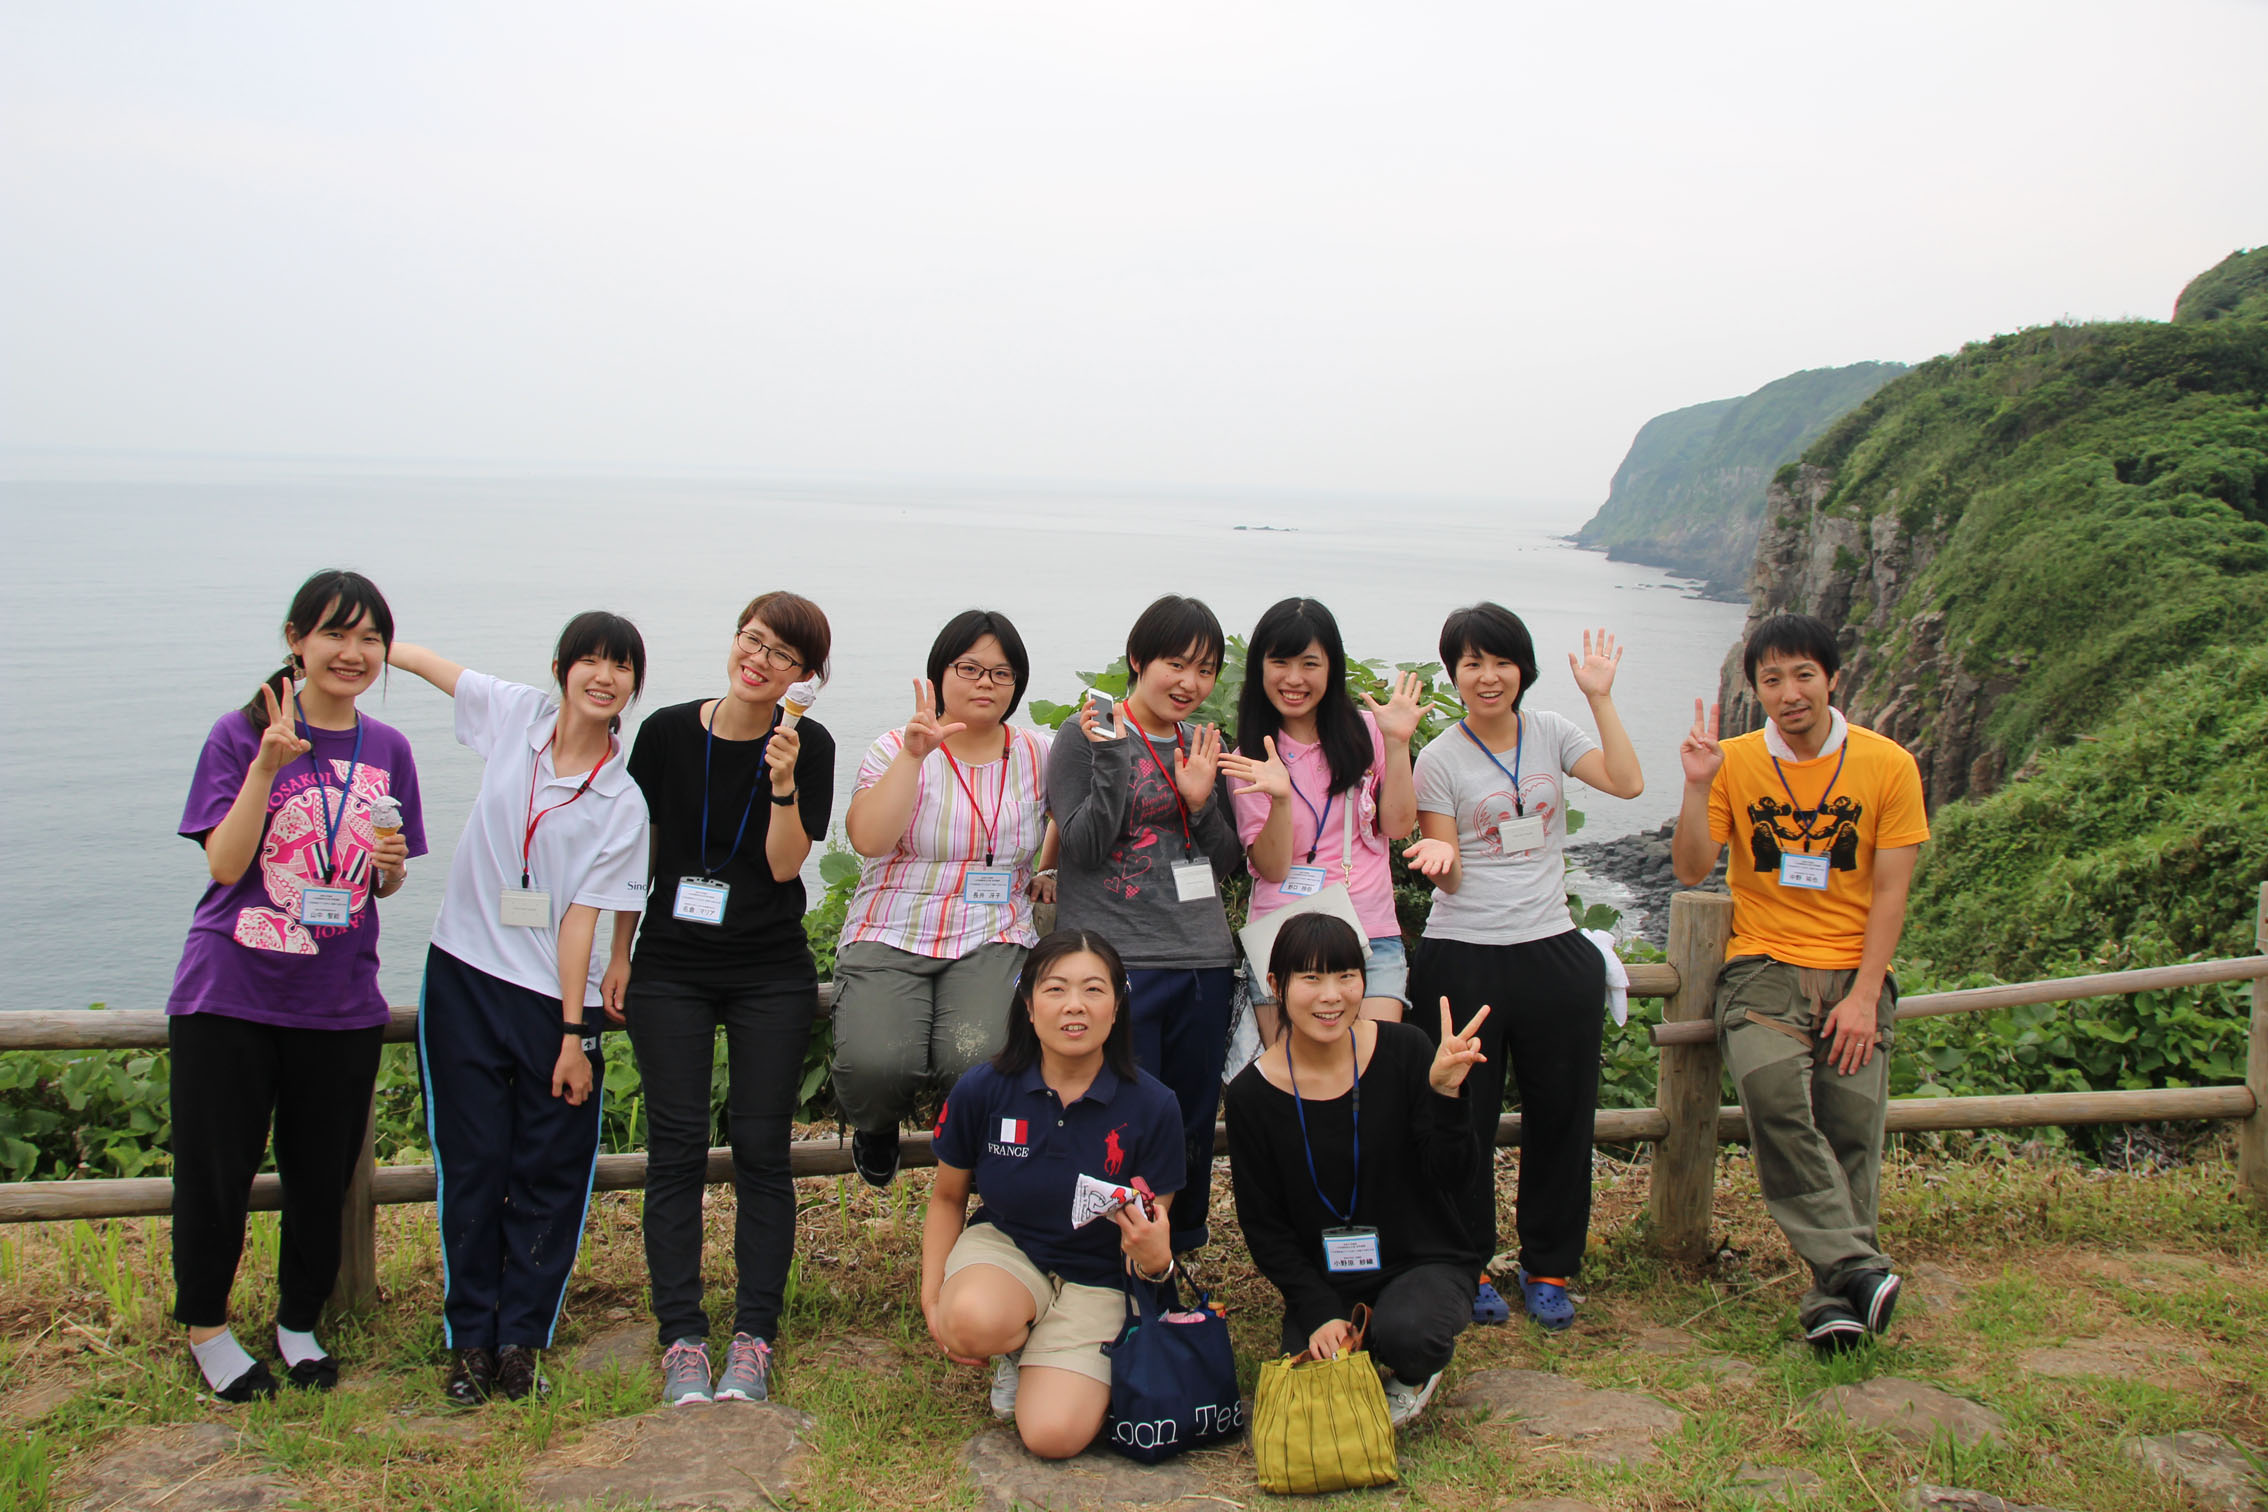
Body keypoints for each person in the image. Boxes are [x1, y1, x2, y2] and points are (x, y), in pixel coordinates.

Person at [166, 569, 424, 1401]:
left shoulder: (389, 750)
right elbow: (224, 865)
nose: (353, 653)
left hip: (339, 997)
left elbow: (384, 883)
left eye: (370, 638)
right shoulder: (240, 733)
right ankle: (207, 1328)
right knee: (218, 1172)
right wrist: (265, 769)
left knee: (321, 1176)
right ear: (295, 641)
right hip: (231, 991)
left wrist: (389, 870)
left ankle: (299, 1321)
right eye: (335, 634)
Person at [389, 615, 651, 1405]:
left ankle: (522, 1340)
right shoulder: (516, 716)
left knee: (549, 1170)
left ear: (634, 686)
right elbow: (435, 666)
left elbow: (580, 922)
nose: (603, 676)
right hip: (463, 975)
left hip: (553, 998)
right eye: (590, 660)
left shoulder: (622, 801)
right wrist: (367, 647)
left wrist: (572, 1034)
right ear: (561, 667)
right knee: (471, 1164)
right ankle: (469, 1338)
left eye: (621, 667)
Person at [1669, 612, 1927, 1354]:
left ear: (1832, 678)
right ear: (1755, 689)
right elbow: (1691, 868)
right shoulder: (1733, 761)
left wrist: (1865, 996)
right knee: (1776, 1100)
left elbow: (1891, 893)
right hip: (1763, 970)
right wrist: (1697, 787)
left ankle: (1834, 1301)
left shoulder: (1888, 765)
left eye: (1803, 675)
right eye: (1772, 679)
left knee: (1851, 1129)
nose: (1790, 693)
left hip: (1855, 973)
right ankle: (1857, 1268)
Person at [617, 592, 837, 1406]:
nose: (761, 661)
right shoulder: (666, 733)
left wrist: (782, 782)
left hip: (768, 968)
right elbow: (633, 857)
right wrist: (617, 954)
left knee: (760, 1150)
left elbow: (784, 867)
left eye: (784, 655)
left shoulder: (809, 745)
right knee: (675, 1151)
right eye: (754, 640)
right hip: (669, 964)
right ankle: (681, 1336)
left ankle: (754, 1336)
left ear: (805, 676)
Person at [1402, 607, 1643, 1331]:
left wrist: (1601, 697)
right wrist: (1439, 859)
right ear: (1453, 674)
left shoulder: (1552, 733)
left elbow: (1628, 782)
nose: (1487, 676)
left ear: (1522, 668)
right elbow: (1448, 872)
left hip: (1551, 947)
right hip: (1465, 953)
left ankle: (1550, 1266)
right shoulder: (1438, 757)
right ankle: (1467, 1262)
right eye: (1471, 663)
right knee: (1463, 1119)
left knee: (1562, 1117)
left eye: (1500, 661)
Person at [920, 930, 1185, 1460]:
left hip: (1101, 1279)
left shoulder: (1154, 1106)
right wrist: (932, 1299)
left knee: (1052, 1436)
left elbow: (1153, 1236)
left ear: (1117, 1006)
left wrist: (1158, 1260)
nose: (1074, 1006)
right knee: (969, 1319)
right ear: (1028, 1003)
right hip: (1008, 1248)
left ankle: (1047, 1354)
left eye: (1093, 990)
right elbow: (948, 1198)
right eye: (1056, 988)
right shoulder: (984, 1088)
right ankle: (1015, 1343)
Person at [1225, 915, 1489, 1428]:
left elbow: (1454, 1177)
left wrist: (1447, 1096)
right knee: (1313, 1389)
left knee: (1407, 1335)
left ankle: (1415, 1372)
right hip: (1330, 1278)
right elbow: (1264, 1226)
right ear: (1276, 984)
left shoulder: (1407, 1050)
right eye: (1311, 978)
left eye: (1346, 976)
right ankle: (1351, 1333)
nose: (1332, 996)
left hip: (1422, 1262)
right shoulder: (1250, 1096)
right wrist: (1318, 1309)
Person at [833, 610, 1057, 1190]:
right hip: (893, 923)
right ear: (940, 674)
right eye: (970, 668)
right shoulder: (894, 746)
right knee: (877, 1063)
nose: (986, 683)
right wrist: (914, 757)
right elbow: (868, 840)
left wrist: (1048, 866)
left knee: (978, 1054)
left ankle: (965, 1143)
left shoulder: (1039, 753)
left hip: (993, 928)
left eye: (1001, 673)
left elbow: (1067, 812)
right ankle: (875, 1125)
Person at [1047, 594, 1243, 1254]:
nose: (1190, 683)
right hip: (1116, 960)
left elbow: (1226, 862)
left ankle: (1173, 1253)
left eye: (1206, 670)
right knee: (1119, 1119)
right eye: (1176, 664)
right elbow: (1083, 848)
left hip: (1201, 959)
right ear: (1138, 659)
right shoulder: (1083, 734)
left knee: (1188, 1117)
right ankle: (1105, 1261)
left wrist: (1201, 802)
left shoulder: (1205, 742)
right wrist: (1111, 758)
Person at [1219, 597, 1424, 1039]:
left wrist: (1397, 744)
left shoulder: (1370, 733)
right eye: (1280, 662)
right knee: (1292, 1075)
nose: (1294, 679)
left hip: (1369, 933)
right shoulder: (1248, 758)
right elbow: (1273, 868)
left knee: (1373, 1068)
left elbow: (1398, 826)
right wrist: (1280, 799)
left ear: (1332, 668)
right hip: (1281, 938)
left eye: (1309, 664)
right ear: (1259, 668)